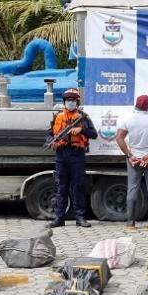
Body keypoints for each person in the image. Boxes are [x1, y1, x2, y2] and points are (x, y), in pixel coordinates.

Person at [45, 88, 97, 228]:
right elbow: (50, 134)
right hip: (61, 156)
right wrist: (52, 142)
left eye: (73, 101)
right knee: (61, 188)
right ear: (64, 102)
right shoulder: (57, 117)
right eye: (68, 100)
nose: (71, 103)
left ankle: (80, 217)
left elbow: (94, 134)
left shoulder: (83, 118)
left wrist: (82, 130)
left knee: (78, 187)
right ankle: (59, 218)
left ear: (77, 102)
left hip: (77, 156)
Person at [116, 94, 148, 231]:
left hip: (134, 159)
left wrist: (129, 155)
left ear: (136, 105)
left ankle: (130, 224)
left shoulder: (128, 119)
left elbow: (119, 138)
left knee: (132, 189)